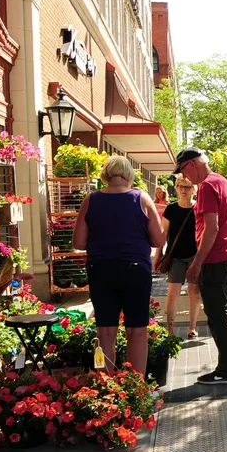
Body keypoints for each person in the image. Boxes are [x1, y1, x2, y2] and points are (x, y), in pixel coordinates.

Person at [73, 155, 165, 376]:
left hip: (101, 269)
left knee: (105, 331)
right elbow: (159, 241)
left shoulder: (91, 199)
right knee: (136, 330)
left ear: (105, 175)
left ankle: (106, 387)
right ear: (129, 175)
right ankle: (136, 388)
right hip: (135, 270)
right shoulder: (141, 199)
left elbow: (78, 242)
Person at [175, 147, 227, 385]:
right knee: (225, 314)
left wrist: (197, 263)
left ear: (193, 164)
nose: (185, 177)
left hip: (214, 259)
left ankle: (226, 371)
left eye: (184, 170)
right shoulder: (223, 182)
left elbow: (212, 227)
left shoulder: (207, 185)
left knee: (218, 317)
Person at [158, 175, 201, 339]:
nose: (184, 190)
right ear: (175, 188)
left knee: (194, 291)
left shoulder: (198, 208)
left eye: (188, 187)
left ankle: (192, 327)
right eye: (180, 186)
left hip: (194, 256)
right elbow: (163, 234)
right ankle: (169, 330)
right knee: (172, 293)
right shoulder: (171, 209)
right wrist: (158, 256)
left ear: (193, 190)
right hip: (175, 257)